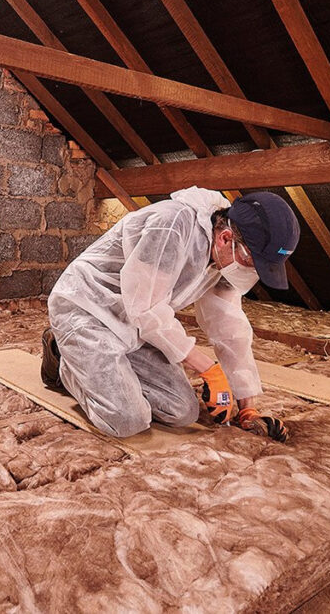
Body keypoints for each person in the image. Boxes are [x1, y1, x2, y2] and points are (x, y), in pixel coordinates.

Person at [41, 186, 295, 442]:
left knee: (183, 411)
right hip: (87, 309)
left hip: (135, 326)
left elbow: (230, 329)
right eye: (251, 262)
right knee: (127, 419)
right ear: (226, 238)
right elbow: (146, 307)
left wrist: (247, 408)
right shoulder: (171, 226)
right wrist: (209, 369)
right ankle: (63, 358)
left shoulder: (223, 259)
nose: (251, 271)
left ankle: (104, 368)